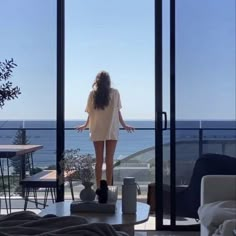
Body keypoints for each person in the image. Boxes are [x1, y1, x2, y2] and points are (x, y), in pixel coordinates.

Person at [76, 71, 134, 187]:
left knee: (99, 161)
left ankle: (98, 187)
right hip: (111, 129)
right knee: (109, 160)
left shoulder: (92, 94)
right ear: (108, 81)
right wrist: (124, 125)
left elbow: (90, 113)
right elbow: (118, 111)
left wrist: (85, 125)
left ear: (97, 81)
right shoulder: (115, 93)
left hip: (97, 129)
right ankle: (108, 187)